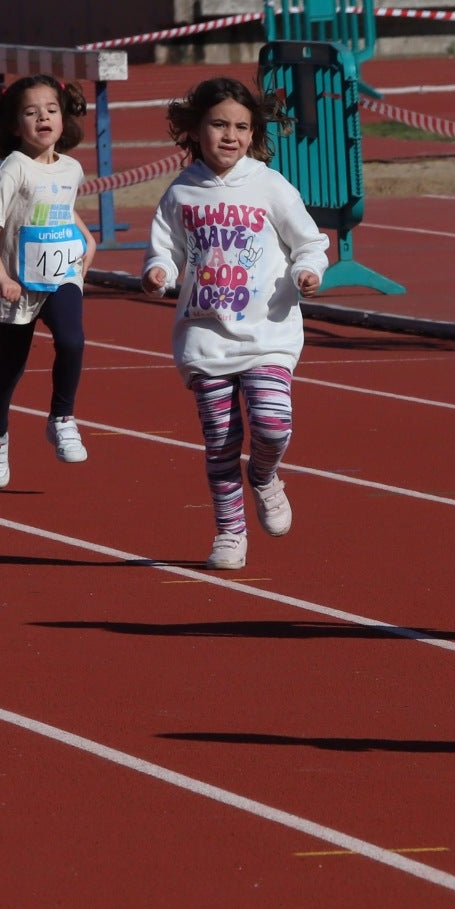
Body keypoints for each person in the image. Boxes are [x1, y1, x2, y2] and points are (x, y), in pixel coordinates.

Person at [143, 77, 328, 570]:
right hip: (206, 339)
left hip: (267, 333)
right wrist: (157, 271)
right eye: (219, 124)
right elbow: (165, 246)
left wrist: (308, 270)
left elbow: (309, 241)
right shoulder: (183, 191)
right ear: (196, 130)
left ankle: (266, 477)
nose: (230, 135)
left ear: (254, 133)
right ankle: (229, 531)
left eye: (241, 127)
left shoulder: (269, 184)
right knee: (221, 441)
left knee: (272, 426)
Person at [0, 74, 94, 487]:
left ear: (64, 118)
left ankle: (62, 418)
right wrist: (1, 276)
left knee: (73, 340)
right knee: (10, 366)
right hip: (18, 286)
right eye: (31, 112)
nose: (43, 117)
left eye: (51, 109)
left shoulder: (72, 168)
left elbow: (60, 208)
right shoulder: (13, 170)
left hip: (61, 277)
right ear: (13, 125)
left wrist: (86, 237)